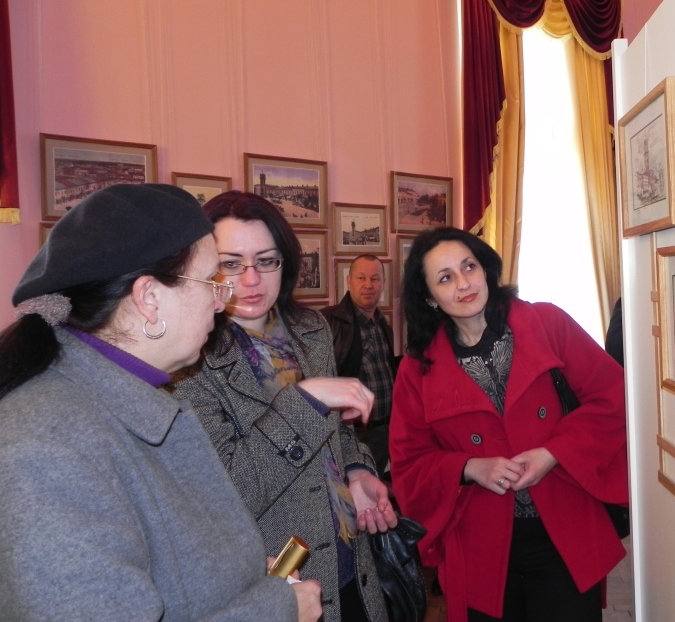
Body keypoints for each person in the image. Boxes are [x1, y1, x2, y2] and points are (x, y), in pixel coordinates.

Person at [0, 184, 321, 622]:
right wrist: (276, 609)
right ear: (149, 299)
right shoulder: (45, 449)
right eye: (211, 280)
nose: (221, 300)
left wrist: (236, 579)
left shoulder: (116, 400)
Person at [172, 191, 398, 622]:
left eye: (266, 261)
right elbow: (229, 492)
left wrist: (356, 470)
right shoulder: (189, 360)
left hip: (350, 557)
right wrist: (305, 401)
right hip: (276, 577)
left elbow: (339, 430)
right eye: (231, 263)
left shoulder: (311, 329)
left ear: (286, 263)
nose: (251, 280)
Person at [390, 226, 628, 622]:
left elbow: (613, 396)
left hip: (564, 534)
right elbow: (408, 463)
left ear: (486, 270)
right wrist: (468, 467)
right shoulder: (417, 370)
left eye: (469, 267)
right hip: (480, 546)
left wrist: (553, 452)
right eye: (445, 278)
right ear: (429, 297)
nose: (463, 283)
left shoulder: (547, 323)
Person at [321, 255, 398, 477]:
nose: (368, 285)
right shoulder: (327, 321)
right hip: (349, 433)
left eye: (375, 278)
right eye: (361, 278)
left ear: (383, 283)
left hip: (383, 430)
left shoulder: (384, 325)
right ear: (349, 281)